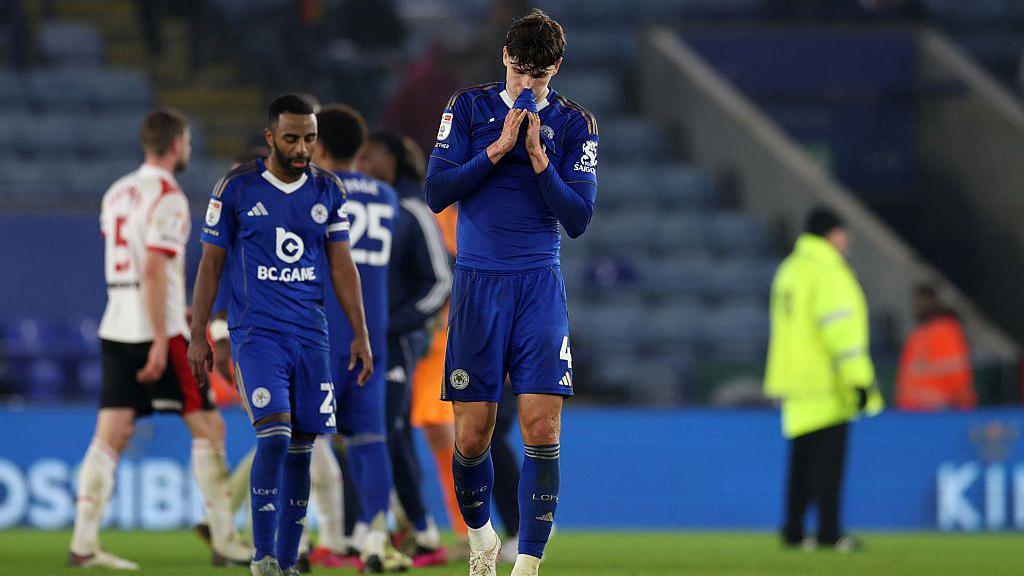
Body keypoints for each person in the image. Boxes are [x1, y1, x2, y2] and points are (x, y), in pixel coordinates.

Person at [423, 9, 599, 576]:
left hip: (537, 286)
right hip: (477, 284)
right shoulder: (469, 108)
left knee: (542, 429)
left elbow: (578, 217)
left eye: (540, 76)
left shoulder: (576, 125)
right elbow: (436, 191)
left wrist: (543, 163)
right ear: (505, 59)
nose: (528, 85)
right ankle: (481, 541)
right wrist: (498, 150)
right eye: (521, 71)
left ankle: (527, 566)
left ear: (557, 70)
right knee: (472, 437)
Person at [188, 94, 373, 576]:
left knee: (302, 448)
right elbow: (211, 264)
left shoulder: (328, 189)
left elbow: (341, 263)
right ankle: (262, 555)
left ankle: (288, 562)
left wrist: (360, 332)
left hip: (311, 335)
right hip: (257, 335)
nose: (301, 147)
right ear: (271, 136)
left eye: (310, 138)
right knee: (273, 436)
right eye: (292, 138)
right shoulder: (236, 187)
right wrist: (198, 334)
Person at [68, 109, 252, 570]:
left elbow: (134, 265)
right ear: (176, 144)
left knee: (111, 434)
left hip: (116, 319)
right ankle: (226, 540)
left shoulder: (117, 192)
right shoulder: (167, 197)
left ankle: (84, 543)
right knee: (209, 428)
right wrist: (159, 336)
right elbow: (153, 266)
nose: (188, 150)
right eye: (187, 142)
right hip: (159, 330)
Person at [311, 104, 413, 573]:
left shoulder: (315, 189)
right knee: (370, 440)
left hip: (321, 332)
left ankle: (299, 542)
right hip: (368, 338)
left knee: (300, 438)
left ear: (321, 146)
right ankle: (376, 540)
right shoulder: (387, 198)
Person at [764, 207, 884, 553]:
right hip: (826, 382)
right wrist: (860, 380)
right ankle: (830, 533)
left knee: (801, 460)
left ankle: (794, 531)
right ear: (832, 234)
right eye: (843, 232)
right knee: (829, 464)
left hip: (793, 380)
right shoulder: (829, 271)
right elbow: (841, 332)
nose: (846, 240)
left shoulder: (789, 269)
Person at [359, 132, 452, 566]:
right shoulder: (361, 207)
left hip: (395, 346)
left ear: (393, 159)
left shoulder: (413, 210)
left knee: (389, 432)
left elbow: (440, 281)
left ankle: (420, 528)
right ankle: (385, 526)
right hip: (353, 343)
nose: (362, 163)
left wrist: (394, 325)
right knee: (361, 435)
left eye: (370, 155)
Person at [896, 285, 975, 411]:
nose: (918, 306)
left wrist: (963, 405)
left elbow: (957, 373)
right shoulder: (917, 335)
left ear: (934, 302)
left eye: (923, 302)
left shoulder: (946, 331)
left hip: (942, 410)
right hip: (912, 411)